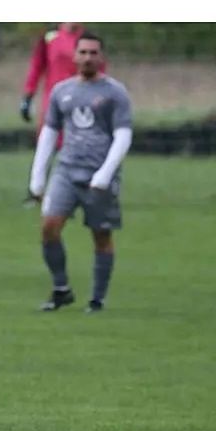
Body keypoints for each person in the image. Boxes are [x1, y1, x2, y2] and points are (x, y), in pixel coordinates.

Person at [27, 32, 133, 313]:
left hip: (99, 176)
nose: (87, 58)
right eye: (83, 52)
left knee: (101, 235)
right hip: (66, 171)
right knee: (49, 227)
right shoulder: (61, 91)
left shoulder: (115, 93)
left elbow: (123, 136)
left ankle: (97, 299)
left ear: (102, 57)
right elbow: (49, 133)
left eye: (93, 53)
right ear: (74, 56)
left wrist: (106, 173)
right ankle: (61, 289)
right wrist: (37, 177)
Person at [21, 23, 105, 205]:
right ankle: (36, 191)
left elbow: (100, 69)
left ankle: (81, 192)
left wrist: (101, 97)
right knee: (45, 146)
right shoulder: (50, 38)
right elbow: (37, 66)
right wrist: (28, 95)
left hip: (82, 102)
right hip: (53, 101)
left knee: (81, 146)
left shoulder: (87, 41)